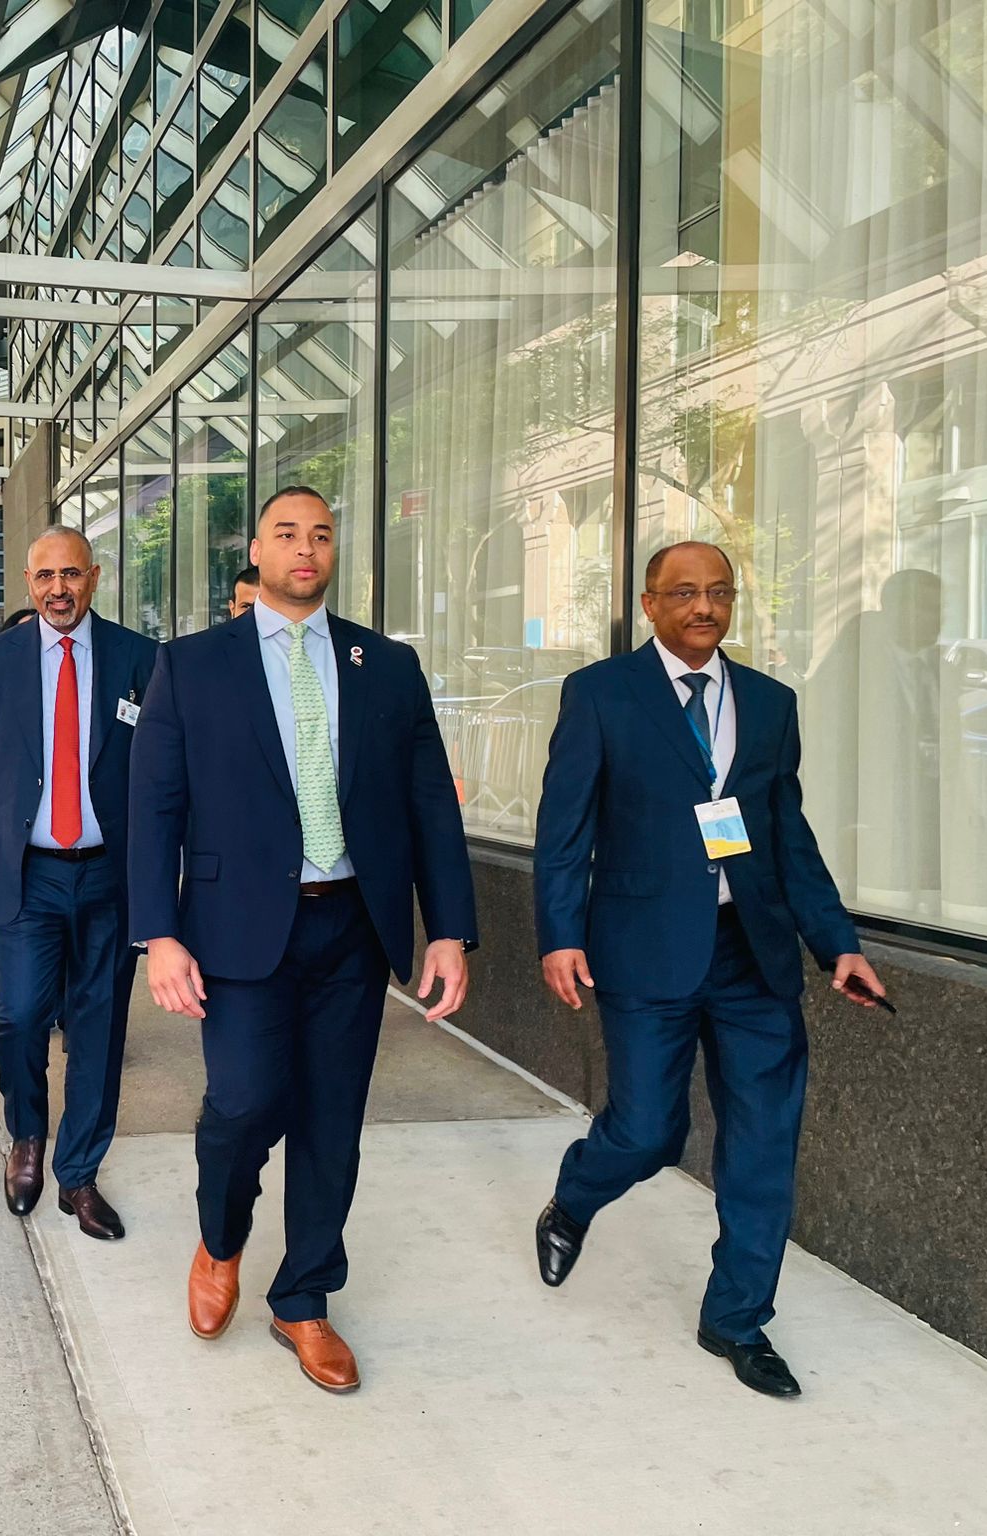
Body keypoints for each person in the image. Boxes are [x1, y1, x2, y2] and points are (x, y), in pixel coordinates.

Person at [129, 486, 476, 1394]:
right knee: (242, 1104)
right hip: (237, 929)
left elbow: (430, 805)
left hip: (352, 925)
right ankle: (221, 1240)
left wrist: (449, 930)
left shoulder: (386, 665)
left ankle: (305, 1298)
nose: (306, 548)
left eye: (321, 534)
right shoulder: (191, 665)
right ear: (256, 550)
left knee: (331, 1120)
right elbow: (153, 808)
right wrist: (158, 935)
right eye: (287, 533)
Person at [531, 540, 888, 1399]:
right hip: (643, 947)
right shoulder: (601, 694)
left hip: (752, 954)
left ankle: (736, 1318)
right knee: (648, 1132)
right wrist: (559, 935)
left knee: (763, 1143)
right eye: (685, 592)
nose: (704, 607)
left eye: (720, 592)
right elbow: (564, 828)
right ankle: (575, 1198)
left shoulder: (769, 703)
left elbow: (788, 835)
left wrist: (836, 942)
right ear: (649, 604)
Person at [0, 526, 157, 1240]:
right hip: (25, 873)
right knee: (21, 1014)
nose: (58, 589)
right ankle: (27, 1135)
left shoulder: (139, 658)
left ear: (93, 577)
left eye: (70, 574)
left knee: (99, 1023)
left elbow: (162, 774)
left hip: (110, 875)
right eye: (44, 577)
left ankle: (79, 1173)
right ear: (29, 584)